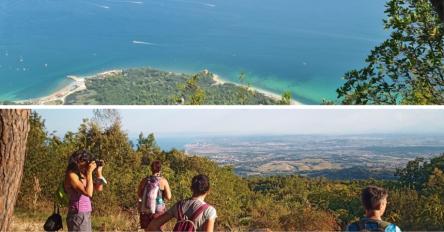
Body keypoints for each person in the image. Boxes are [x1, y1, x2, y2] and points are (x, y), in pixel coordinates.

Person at [147, 174, 217, 232]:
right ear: (208, 190)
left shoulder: (179, 206)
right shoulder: (209, 211)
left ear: (191, 188)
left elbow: (152, 226)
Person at [64, 149, 106, 232]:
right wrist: (89, 172)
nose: (88, 164)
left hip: (86, 212)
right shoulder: (71, 175)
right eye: (86, 161)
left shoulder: (83, 174)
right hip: (77, 213)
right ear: (78, 161)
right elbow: (88, 193)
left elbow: (99, 188)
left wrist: (99, 173)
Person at [138, 160, 172, 231]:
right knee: (157, 229)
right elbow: (169, 197)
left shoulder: (144, 180)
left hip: (145, 209)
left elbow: (139, 194)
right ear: (160, 169)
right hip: (158, 210)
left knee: (147, 230)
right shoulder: (163, 181)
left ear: (151, 169)